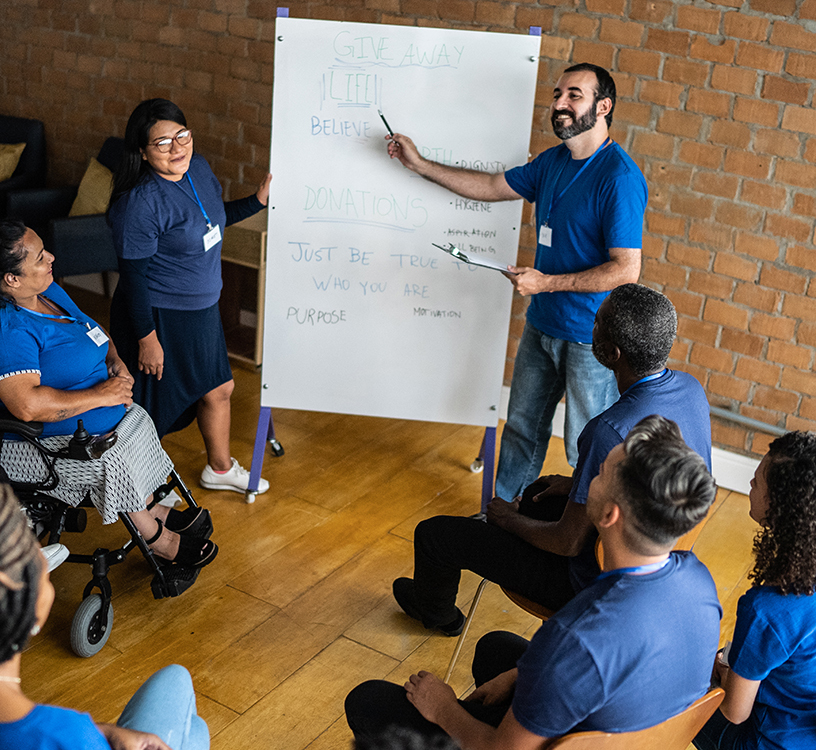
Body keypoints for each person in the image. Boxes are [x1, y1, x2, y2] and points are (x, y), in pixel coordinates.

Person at [347, 415, 720, 748]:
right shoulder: (698, 579)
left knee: (367, 700)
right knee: (497, 648)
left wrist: (443, 708)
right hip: (638, 735)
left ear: (609, 513)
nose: (587, 478)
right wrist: (522, 674)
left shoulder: (573, 638)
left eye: (600, 473)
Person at [386, 63, 647, 501]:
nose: (560, 103)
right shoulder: (553, 162)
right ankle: (504, 519)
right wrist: (420, 166)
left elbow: (626, 269)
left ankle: (580, 535)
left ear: (604, 106)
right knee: (523, 428)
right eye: (558, 93)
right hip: (542, 325)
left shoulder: (619, 178)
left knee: (587, 444)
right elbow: (490, 185)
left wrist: (546, 284)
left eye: (574, 95)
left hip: (591, 338)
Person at [394, 285, 711, 635]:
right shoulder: (690, 389)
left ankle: (439, 616)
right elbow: (652, 478)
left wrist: (506, 519)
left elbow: (569, 542)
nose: (592, 322)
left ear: (611, 352)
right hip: (652, 559)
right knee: (536, 493)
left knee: (435, 534)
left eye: (597, 320)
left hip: (589, 586)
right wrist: (576, 484)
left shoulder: (609, 431)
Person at [0, 218, 216, 570]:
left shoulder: (45, 293)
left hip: (87, 422)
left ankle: (147, 504)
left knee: (134, 422)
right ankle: (156, 538)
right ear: (11, 278)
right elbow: (27, 405)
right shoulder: (1, 330)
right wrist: (102, 395)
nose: (51, 257)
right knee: (108, 454)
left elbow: (91, 329)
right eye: (40, 257)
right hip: (18, 444)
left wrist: (117, 365)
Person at [0, 477, 210, 750]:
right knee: (179, 688)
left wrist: (103, 734)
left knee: (194, 732)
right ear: (34, 615)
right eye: (45, 571)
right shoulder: (66, 736)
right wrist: (96, 736)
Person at [109, 98, 272, 496]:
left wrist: (257, 200)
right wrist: (147, 338)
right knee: (151, 411)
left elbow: (213, 219)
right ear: (143, 153)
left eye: (182, 135)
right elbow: (133, 277)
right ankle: (135, 489)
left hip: (201, 310)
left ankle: (219, 469)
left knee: (219, 388)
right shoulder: (139, 203)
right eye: (162, 143)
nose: (177, 148)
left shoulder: (197, 169)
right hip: (160, 315)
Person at [694, 432, 816, 750]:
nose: (750, 482)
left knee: (674, 674)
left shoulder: (767, 608)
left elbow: (734, 712)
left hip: (765, 741)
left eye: (757, 481)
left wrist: (721, 673)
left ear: (781, 508)